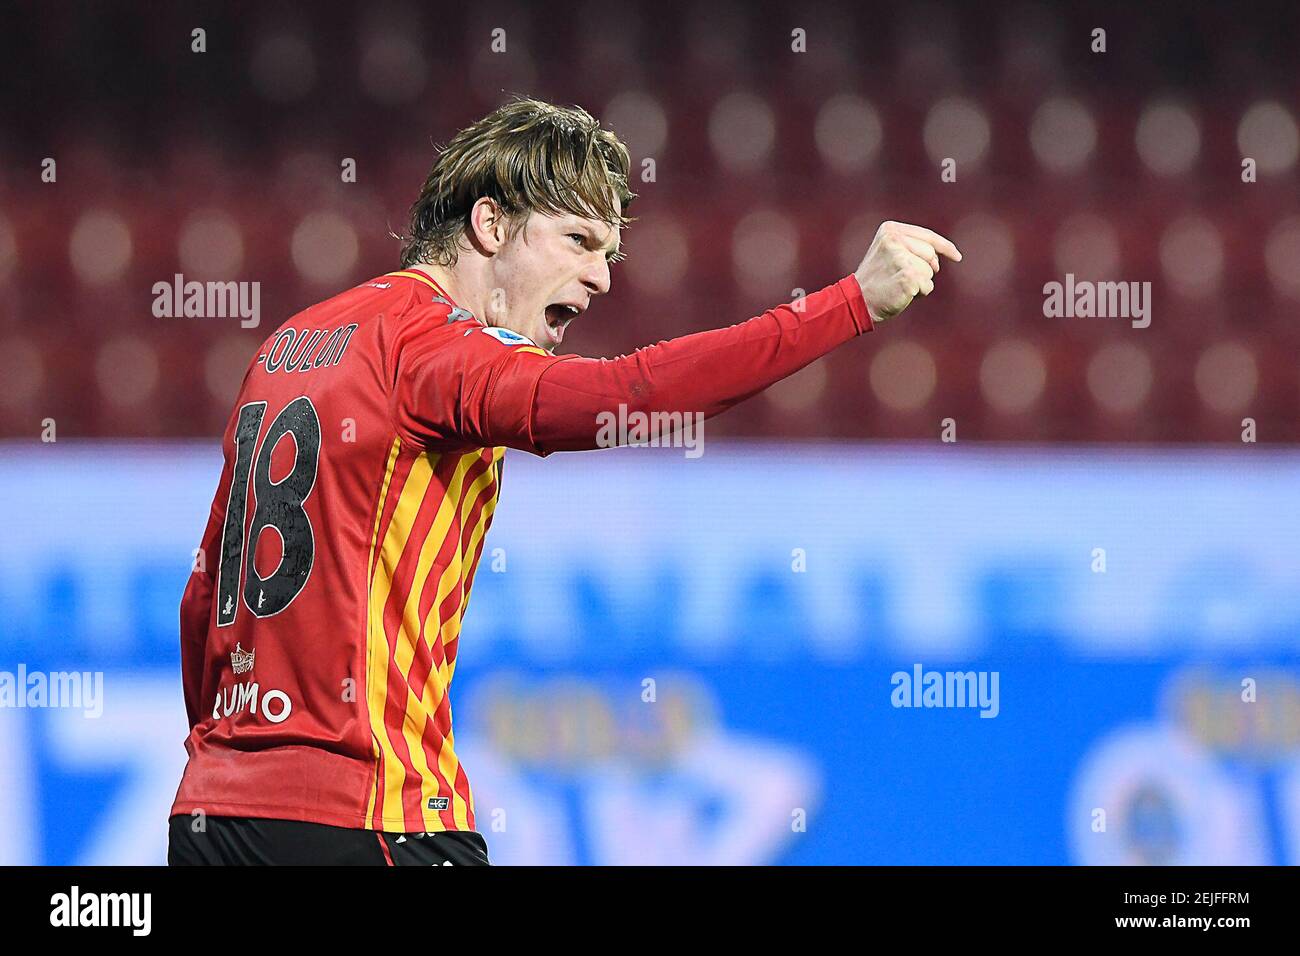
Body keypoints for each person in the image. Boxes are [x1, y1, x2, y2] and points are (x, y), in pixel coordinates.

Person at [167, 95, 961, 865]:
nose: (603, 278)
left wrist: (223, 763)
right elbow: (625, 395)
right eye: (579, 240)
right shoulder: (430, 349)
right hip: (369, 815)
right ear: (490, 224)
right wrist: (850, 304)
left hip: (213, 815)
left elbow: (204, 595)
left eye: (608, 253)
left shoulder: (290, 344)